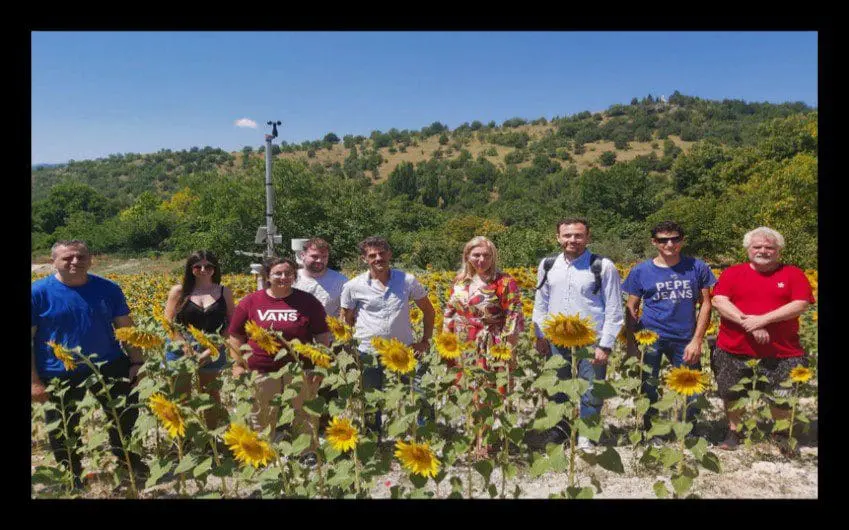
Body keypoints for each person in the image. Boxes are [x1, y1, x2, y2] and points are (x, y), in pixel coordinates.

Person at [31, 240, 149, 490]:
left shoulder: (108, 289)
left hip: (109, 363)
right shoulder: (37, 293)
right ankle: (71, 474)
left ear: (90, 259)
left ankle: (127, 461)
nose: (75, 261)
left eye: (81, 256)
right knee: (64, 424)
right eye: (68, 258)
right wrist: (34, 381)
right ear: (53, 261)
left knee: (124, 415)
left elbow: (125, 328)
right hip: (58, 370)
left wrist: (137, 361)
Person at [710, 227, 815, 452]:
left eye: (769, 247)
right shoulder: (733, 273)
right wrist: (748, 323)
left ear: (779, 251)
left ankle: (780, 433)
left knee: (782, 393)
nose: (763, 251)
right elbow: (719, 301)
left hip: (782, 350)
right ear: (748, 249)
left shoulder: (792, 274)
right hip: (734, 347)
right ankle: (734, 430)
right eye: (757, 246)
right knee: (731, 391)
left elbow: (801, 304)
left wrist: (762, 320)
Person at [532, 218, 624, 450]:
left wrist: (605, 344)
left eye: (578, 235)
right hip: (556, 338)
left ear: (587, 238)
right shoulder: (548, 264)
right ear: (558, 238)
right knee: (557, 385)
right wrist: (539, 334)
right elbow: (541, 303)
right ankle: (560, 429)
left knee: (591, 388)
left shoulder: (602, 266)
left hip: (590, 339)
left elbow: (614, 308)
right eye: (567, 235)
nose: (572, 240)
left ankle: (587, 434)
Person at [227, 256, 331, 457]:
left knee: (305, 411)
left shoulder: (307, 301)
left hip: (301, 368)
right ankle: (263, 454)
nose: (283, 277)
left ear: (294, 276)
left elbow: (322, 336)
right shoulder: (251, 301)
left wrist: (321, 364)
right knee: (261, 413)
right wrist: (237, 364)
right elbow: (236, 335)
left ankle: (307, 453)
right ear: (268, 276)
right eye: (278, 273)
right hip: (261, 369)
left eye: (288, 273)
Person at [621, 221, 716, 439]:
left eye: (675, 238)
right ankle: (652, 431)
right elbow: (631, 307)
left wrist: (697, 340)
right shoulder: (641, 271)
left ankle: (688, 431)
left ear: (682, 241)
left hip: (685, 337)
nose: (670, 244)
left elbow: (706, 304)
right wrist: (631, 344)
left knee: (692, 387)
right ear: (654, 242)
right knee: (649, 386)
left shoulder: (697, 267)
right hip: (650, 337)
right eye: (663, 240)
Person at [340, 236, 435, 436]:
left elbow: (428, 310)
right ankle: (374, 439)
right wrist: (348, 348)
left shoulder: (407, 280)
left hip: (404, 350)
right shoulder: (353, 286)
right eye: (372, 255)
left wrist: (425, 341)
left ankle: (425, 437)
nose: (378, 258)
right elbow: (345, 319)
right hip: (368, 351)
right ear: (364, 259)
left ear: (389, 254)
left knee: (418, 393)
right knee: (372, 398)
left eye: (382, 253)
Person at [442, 236, 524, 456]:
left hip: (492, 341)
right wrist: (445, 340)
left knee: (486, 392)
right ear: (467, 256)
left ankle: (484, 440)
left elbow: (514, 315)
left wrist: (508, 347)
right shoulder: (460, 280)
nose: (481, 259)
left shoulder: (503, 281)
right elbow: (449, 310)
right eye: (476, 255)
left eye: (486, 255)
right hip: (464, 341)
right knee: (469, 389)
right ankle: (472, 433)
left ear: (493, 257)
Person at [163, 250, 235, 430]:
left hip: (213, 347)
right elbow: (168, 323)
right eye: (198, 266)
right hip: (180, 347)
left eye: (208, 266)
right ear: (190, 268)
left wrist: (212, 349)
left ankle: (211, 436)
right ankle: (183, 438)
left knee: (210, 393)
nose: (203, 270)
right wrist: (186, 348)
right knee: (180, 396)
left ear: (214, 268)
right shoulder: (179, 291)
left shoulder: (224, 291)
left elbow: (231, 324)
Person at [293, 237, 348, 318]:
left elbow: (347, 313)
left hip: (327, 329)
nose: (319, 260)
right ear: (302, 255)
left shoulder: (341, 281)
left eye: (324, 256)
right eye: (314, 256)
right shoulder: (291, 279)